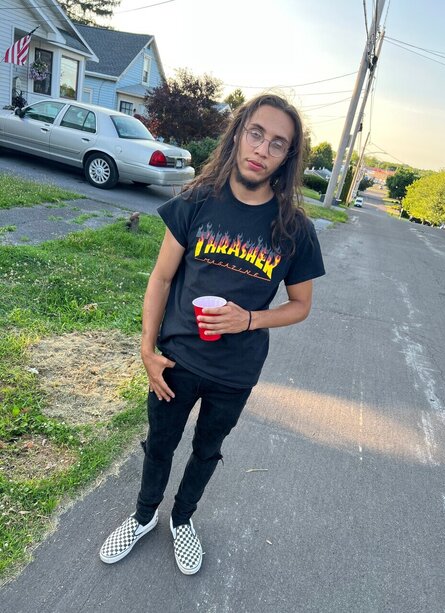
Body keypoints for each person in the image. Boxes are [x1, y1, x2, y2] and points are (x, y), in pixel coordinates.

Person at [99, 94, 325, 574]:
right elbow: (161, 278)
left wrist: (250, 319)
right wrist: (147, 349)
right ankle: (143, 517)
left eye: (278, 143)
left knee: (206, 451)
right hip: (176, 361)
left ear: (287, 157)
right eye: (256, 133)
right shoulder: (197, 200)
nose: (262, 149)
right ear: (239, 134)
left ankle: (183, 520)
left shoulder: (294, 229)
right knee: (160, 445)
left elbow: (301, 306)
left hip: (235, 373)